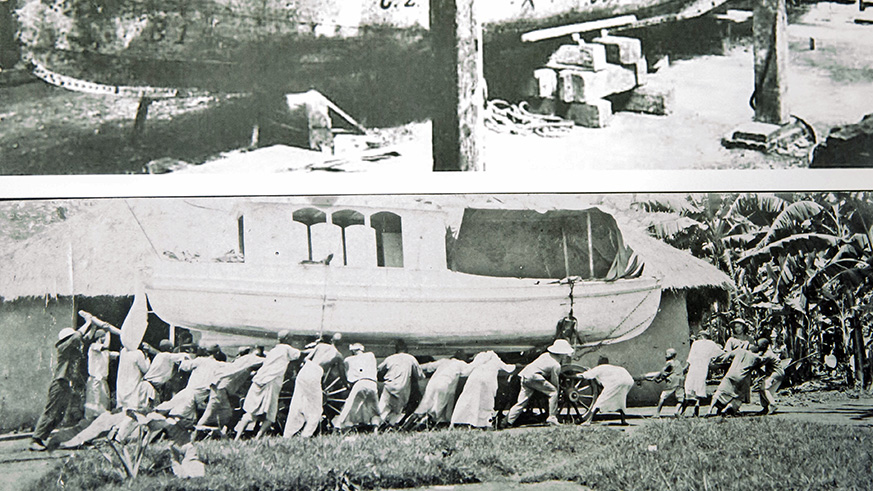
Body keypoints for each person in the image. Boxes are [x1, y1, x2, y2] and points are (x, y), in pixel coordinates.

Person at [30, 314, 98, 451]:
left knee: (59, 415)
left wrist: (94, 327)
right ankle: (35, 439)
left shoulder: (72, 349)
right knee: (51, 412)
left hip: (67, 385)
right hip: (59, 384)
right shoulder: (63, 347)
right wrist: (88, 322)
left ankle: (45, 438)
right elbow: (77, 337)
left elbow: (84, 339)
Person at [235, 332, 300, 440]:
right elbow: (298, 355)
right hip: (271, 382)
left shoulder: (273, 351)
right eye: (291, 338)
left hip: (258, 381)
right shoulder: (286, 348)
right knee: (270, 415)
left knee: (251, 413)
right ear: (287, 338)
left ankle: (237, 438)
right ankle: (257, 439)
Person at [194, 347, 265, 439]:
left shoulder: (241, 361)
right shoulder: (250, 358)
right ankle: (196, 435)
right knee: (212, 413)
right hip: (220, 387)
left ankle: (216, 435)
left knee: (224, 413)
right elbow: (267, 361)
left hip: (219, 386)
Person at [284, 333, 345, 438]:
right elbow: (342, 374)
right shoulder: (338, 355)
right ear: (341, 343)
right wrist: (347, 384)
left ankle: (288, 434)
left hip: (305, 371)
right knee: (316, 409)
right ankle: (306, 435)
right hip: (315, 374)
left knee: (296, 404)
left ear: (332, 341)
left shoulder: (320, 346)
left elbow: (306, 359)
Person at [506, 339, 574, 427]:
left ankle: (508, 421)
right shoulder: (556, 365)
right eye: (565, 354)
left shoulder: (546, 355)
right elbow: (554, 381)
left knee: (522, 401)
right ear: (561, 354)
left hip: (525, 375)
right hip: (534, 377)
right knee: (553, 392)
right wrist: (558, 391)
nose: (566, 356)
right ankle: (552, 417)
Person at [155, 344, 226, 421]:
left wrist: (185, 357)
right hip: (197, 397)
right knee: (177, 414)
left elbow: (184, 366)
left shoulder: (200, 360)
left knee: (170, 410)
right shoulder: (220, 366)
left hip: (189, 394)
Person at [450, 350, 515, 428]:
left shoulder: (479, 359)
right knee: (486, 403)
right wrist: (516, 365)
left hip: (475, 379)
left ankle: (459, 421)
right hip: (488, 381)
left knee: (467, 401)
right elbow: (508, 368)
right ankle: (484, 424)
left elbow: (468, 369)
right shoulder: (496, 360)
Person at [408, 350, 470, 428]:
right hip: (444, 385)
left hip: (432, 383)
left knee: (423, 405)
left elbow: (427, 366)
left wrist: (410, 366)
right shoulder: (462, 364)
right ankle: (424, 425)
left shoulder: (444, 361)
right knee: (436, 409)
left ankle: (407, 425)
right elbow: (469, 371)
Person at [706, 343, 765, 417]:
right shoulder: (757, 357)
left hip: (731, 374)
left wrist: (716, 359)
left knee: (719, 392)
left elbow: (727, 355)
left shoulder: (740, 351)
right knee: (739, 397)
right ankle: (726, 409)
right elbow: (761, 367)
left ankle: (710, 410)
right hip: (742, 377)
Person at [333, 343, 381, 430]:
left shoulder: (348, 360)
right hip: (372, 384)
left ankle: (338, 426)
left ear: (353, 351)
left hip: (360, 383)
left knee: (348, 406)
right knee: (374, 409)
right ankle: (375, 429)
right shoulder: (371, 356)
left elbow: (349, 378)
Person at [378, 339, 425, 426]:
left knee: (383, 407)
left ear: (396, 350)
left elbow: (379, 369)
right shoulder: (411, 358)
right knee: (397, 410)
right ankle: (391, 425)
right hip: (402, 387)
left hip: (389, 385)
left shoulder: (390, 358)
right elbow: (420, 376)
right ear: (406, 350)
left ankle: (377, 426)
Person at [679, 330, 725, 417]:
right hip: (702, 368)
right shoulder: (711, 344)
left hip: (694, 368)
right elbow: (720, 353)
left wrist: (684, 368)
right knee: (699, 389)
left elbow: (690, 358)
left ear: (701, 336)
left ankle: (683, 411)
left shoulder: (696, 343)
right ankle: (696, 410)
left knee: (689, 388)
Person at [581, 356, 634, 426]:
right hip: (628, 380)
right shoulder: (613, 368)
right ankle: (623, 420)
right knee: (621, 401)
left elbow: (587, 375)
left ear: (599, 363)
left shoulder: (600, 367)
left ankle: (588, 421)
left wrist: (577, 375)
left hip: (616, 383)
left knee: (600, 400)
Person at [143, 340, 190, 404]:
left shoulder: (159, 356)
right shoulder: (166, 356)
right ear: (170, 348)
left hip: (149, 384)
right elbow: (183, 356)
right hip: (151, 386)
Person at [84, 329, 115, 419]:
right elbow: (105, 346)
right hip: (95, 380)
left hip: (102, 380)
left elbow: (111, 354)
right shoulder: (94, 346)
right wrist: (108, 332)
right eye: (103, 337)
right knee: (93, 403)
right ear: (99, 338)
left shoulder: (105, 352)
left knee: (104, 403)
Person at [753, 337, 786, 415]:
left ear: (764, 345)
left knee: (764, 388)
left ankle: (773, 404)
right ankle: (765, 407)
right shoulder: (768, 352)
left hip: (776, 373)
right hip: (777, 374)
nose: (757, 347)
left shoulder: (768, 354)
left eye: (759, 345)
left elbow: (759, 362)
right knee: (763, 390)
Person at [116, 343, 152, 411]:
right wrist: (147, 360)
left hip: (123, 382)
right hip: (133, 382)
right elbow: (145, 369)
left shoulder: (123, 351)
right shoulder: (138, 353)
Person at [653, 348, 688, 418]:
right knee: (681, 399)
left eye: (667, 354)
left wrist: (657, 378)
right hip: (680, 382)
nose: (665, 355)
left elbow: (663, 372)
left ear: (671, 355)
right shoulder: (677, 362)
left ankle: (657, 413)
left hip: (672, 382)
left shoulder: (669, 362)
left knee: (663, 396)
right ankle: (676, 411)